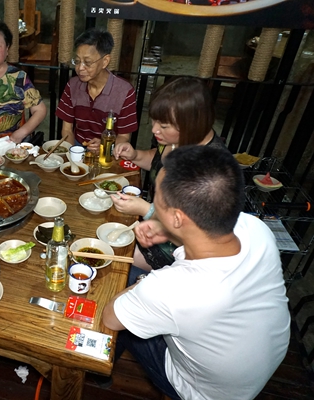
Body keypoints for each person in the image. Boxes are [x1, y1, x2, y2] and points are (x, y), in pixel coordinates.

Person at [103, 145, 290, 400]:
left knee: (119, 282)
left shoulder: (171, 290)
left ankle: (100, 371)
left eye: (158, 197)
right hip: (256, 367)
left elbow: (111, 318)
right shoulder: (256, 229)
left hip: (204, 391)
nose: (154, 201)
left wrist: (144, 282)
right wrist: (169, 230)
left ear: (179, 218)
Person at [112, 76, 228, 271]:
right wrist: (135, 155)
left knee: (108, 255)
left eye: (164, 126)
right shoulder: (179, 138)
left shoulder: (208, 169)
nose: (155, 129)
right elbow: (157, 161)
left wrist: (146, 210)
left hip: (175, 254)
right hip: (148, 227)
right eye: (155, 121)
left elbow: (192, 235)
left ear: (190, 123)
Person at [56, 28, 138, 153]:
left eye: (87, 63)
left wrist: (106, 145)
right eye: (77, 61)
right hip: (77, 145)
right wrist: (74, 154)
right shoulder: (72, 85)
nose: (80, 68)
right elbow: (67, 130)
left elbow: (124, 136)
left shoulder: (124, 91)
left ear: (105, 61)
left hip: (109, 150)